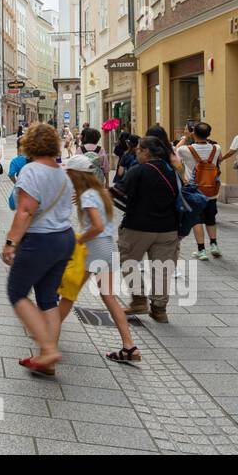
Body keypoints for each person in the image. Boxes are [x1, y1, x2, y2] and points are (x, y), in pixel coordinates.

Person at [2, 123, 76, 377]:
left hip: (40, 240)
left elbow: (25, 210)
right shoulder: (62, 172)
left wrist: (11, 242)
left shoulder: (31, 170)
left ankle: (47, 349)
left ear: (29, 144)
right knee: (47, 298)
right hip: (64, 238)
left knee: (17, 292)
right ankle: (48, 359)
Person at [57, 155, 141, 363]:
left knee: (69, 293)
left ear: (76, 175)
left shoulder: (87, 196)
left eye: (69, 173)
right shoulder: (100, 192)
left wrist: (79, 240)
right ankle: (129, 347)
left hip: (94, 248)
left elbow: (97, 226)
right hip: (108, 248)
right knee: (109, 297)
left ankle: (48, 333)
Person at [113, 136, 182, 323]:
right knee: (162, 269)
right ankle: (159, 310)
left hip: (138, 227)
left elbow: (118, 193)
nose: (137, 153)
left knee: (128, 262)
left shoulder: (139, 171)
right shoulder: (172, 171)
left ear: (146, 152)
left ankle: (139, 300)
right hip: (169, 228)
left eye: (139, 150)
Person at [177, 122, 223, 261]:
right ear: (209, 134)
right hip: (211, 190)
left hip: (194, 190)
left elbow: (175, 153)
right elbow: (219, 160)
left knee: (197, 220)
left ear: (193, 133)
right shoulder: (217, 148)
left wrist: (185, 137)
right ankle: (214, 245)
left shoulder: (185, 150)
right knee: (211, 218)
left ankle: (201, 250)